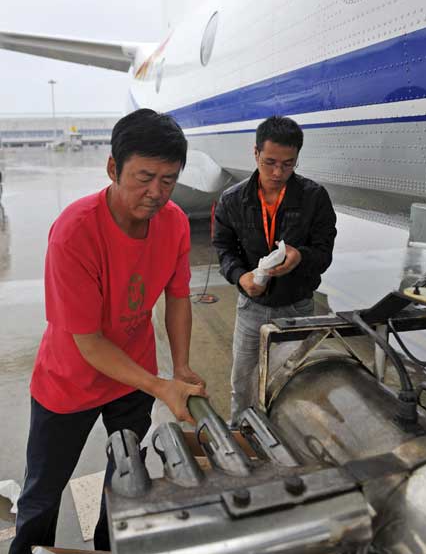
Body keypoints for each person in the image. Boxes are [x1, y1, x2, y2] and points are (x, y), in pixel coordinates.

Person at [10, 109, 206, 554]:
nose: (156, 193)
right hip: (69, 383)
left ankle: (107, 548)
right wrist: (162, 387)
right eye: (144, 177)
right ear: (113, 168)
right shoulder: (75, 232)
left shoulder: (173, 222)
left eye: (169, 180)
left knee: (124, 480)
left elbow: (177, 297)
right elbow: (89, 342)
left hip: (133, 378)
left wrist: (180, 367)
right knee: (43, 491)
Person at [213, 115, 336, 426]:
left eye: (288, 164)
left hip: (298, 306)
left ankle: (289, 435)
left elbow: (324, 253)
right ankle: (241, 436)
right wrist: (240, 277)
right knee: (242, 382)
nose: (278, 172)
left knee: (295, 382)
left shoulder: (314, 197)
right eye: (269, 162)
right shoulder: (232, 200)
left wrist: (300, 258)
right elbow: (225, 250)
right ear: (255, 154)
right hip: (252, 307)